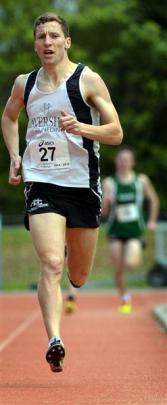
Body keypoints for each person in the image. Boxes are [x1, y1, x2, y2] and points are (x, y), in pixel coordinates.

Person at [1, 12, 123, 372]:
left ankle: (68, 251)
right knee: (51, 263)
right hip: (42, 182)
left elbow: (116, 133)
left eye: (54, 36)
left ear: (66, 42)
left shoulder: (87, 80)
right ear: (35, 44)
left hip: (82, 186)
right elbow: (8, 118)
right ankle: (55, 338)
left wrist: (82, 127)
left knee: (78, 276)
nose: (47, 42)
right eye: (41, 37)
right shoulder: (25, 84)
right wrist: (13, 155)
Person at [102, 147, 159, 314]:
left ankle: (138, 249)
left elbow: (154, 200)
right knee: (118, 268)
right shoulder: (109, 183)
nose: (124, 162)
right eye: (121, 159)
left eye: (127, 159)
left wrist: (152, 221)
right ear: (116, 162)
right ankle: (124, 296)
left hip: (135, 231)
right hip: (115, 231)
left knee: (131, 263)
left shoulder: (141, 181)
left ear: (132, 162)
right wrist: (106, 202)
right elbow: (103, 212)